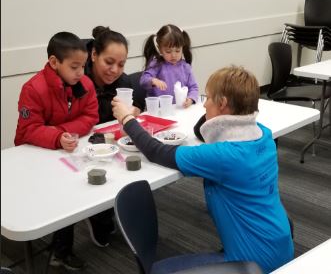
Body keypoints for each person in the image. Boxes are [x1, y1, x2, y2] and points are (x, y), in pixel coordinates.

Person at [112, 66, 294, 273]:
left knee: (159, 271)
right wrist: (215, 113)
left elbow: (156, 151)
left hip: (255, 264)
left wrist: (127, 119)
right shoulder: (263, 134)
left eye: (208, 98)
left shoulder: (224, 156)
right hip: (281, 244)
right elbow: (205, 130)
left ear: (223, 103)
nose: (204, 103)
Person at [15, 31, 99, 270]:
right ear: (54, 62)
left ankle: (61, 251)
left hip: (67, 151)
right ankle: (53, 250)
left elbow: (90, 116)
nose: (81, 73)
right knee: (57, 200)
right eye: (75, 67)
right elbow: (27, 130)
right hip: (35, 155)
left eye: (83, 66)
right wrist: (57, 136)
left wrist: (60, 132)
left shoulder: (85, 84)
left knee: (72, 196)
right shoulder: (33, 89)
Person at [83, 26, 144, 249]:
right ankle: (98, 214)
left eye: (121, 64)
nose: (115, 70)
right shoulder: (77, 81)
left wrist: (134, 111)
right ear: (93, 55)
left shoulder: (124, 83)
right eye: (109, 62)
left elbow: (135, 108)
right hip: (81, 143)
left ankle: (112, 209)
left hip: (111, 144)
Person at [140, 24, 199, 107]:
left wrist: (190, 99)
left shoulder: (185, 67)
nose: (173, 55)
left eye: (177, 51)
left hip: (179, 109)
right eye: (168, 51)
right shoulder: (156, 64)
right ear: (160, 49)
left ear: (182, 47)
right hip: (159, 110)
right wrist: (153, 81)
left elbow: (193, 88)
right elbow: (143, 80)